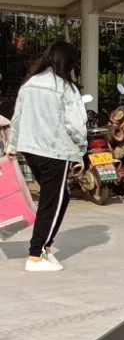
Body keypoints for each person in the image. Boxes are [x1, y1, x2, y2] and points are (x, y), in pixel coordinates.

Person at [5, 41, 88, 272]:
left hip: (31, 151)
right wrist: (82, 147)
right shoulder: (66, 88)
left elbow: (17, 118)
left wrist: (12, 148)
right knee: (52, 203)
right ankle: (36, 254)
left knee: (57, 199)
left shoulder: (30, 84)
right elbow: (76, 125)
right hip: (56, 152)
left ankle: (46, 248)